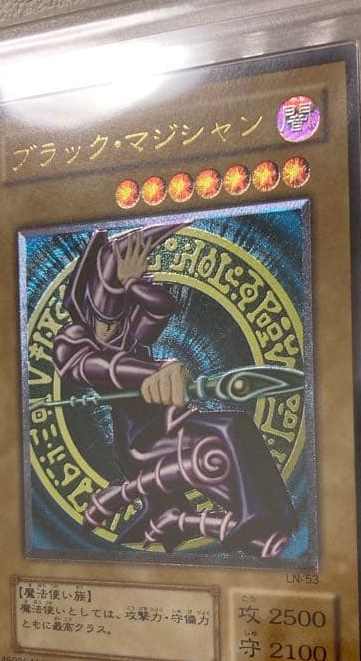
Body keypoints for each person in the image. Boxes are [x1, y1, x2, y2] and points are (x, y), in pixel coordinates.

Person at [52, 224, 296, 558]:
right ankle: (251, 517)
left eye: (115, 322)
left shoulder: (128, 331)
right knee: (223, 437)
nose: (109, 332)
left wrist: (132, 283)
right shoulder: (74, 342)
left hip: (169, 424)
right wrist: (150, 372)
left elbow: (161, 307)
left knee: (234, 428)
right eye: (102, 323)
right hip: (141, 442)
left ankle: (252, 517)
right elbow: (92, 366)